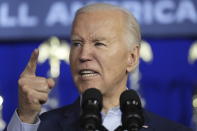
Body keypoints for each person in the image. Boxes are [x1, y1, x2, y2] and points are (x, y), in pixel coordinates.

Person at [5, 3, 192, 131]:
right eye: (77, 43)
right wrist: (27, 115)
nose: (84, 55)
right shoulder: (39, 127)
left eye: (99, 44)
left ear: (132, 57)